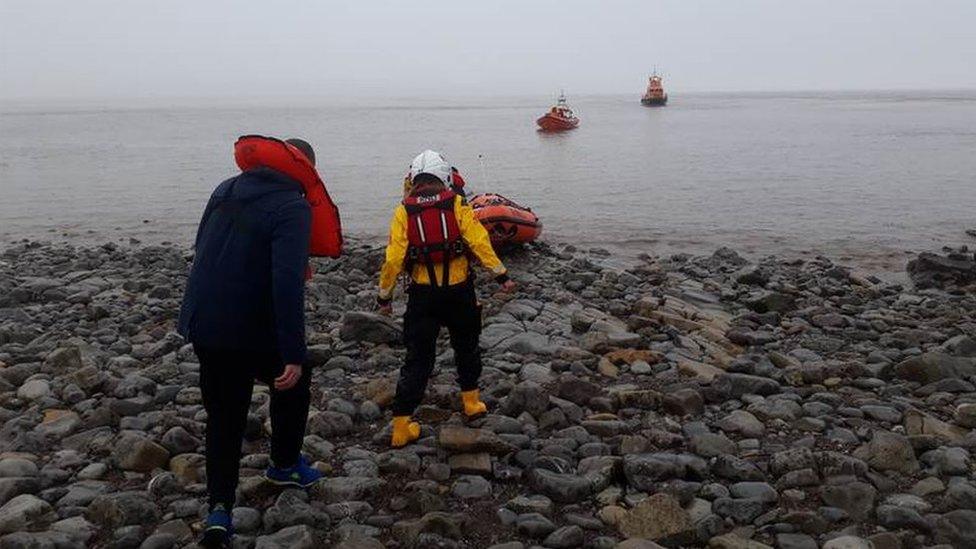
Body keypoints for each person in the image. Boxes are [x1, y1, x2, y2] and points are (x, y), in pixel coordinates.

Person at [178, 136, 334, 548]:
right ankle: (283, 465)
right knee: (295, 379)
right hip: (248, 327)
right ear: (304, 170)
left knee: (224, 418)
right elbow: (286, 287)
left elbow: (204, 247)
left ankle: (219, 512)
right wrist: (293, 353)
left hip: (205, 323)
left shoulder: (225, 188)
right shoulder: (292, 205)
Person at [378, 150, 516, 448]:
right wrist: (501, 275)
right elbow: (479, 242)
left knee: (418, 358)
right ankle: (471, 403)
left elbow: (393, 258)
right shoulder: (456, 204)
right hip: (459, 293)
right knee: (466, 347)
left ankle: (401, 425)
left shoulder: (404, 210)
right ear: (445, 177)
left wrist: (384, 296)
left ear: (414, 178)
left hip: (422, 296)